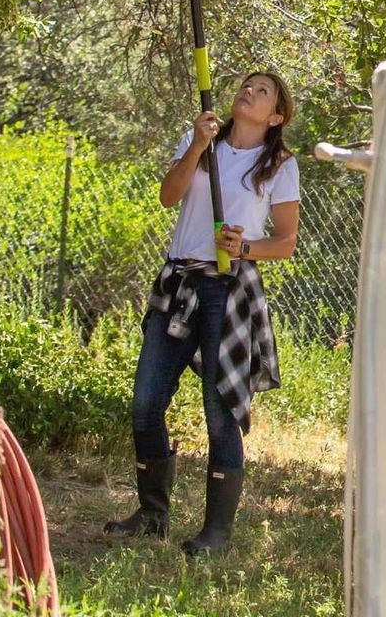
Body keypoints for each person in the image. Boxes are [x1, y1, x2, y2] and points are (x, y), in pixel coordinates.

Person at [104, 69, 301, 556]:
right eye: (246, 85)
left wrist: (246, 246)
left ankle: (215, 534)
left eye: (261, 92)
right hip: (178, 284)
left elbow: (286, 243)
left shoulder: (279, 163)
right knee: (146, 402)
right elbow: (168, 197)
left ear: (275, 115)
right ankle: (153, 516)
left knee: (220, 413)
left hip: (226, 291)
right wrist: (196, 145)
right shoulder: (201, 141)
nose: (247, 92)